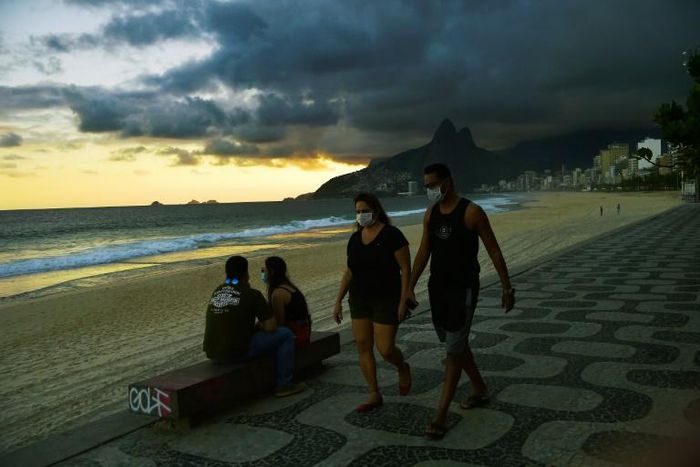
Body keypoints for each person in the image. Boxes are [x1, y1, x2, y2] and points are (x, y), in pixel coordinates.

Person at [410, 163, 515, 440]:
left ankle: (440, 417)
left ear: (448, 181)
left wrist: (507, 286)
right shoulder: (430, 213)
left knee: (453, 351)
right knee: (455, 343)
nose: (430, 190)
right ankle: (479, 389)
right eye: (426, 186)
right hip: (438, 289)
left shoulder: (472, 212)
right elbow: (423, 252)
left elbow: (493, 248)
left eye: (433, 184)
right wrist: (408, 287)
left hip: (463, 289)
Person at [333, 193, 413, 412]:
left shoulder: (392, 235)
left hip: (387, 299)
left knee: (386, 349)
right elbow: (350, 271)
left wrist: (404, 297)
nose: (361, 215)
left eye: (364, 211)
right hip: (359, 299)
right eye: (357, 212)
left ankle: (402, 367)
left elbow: (405, 268)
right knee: (363, 346)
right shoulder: (354, 239)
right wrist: (338, 300)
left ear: (376, 211)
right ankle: (374, 393)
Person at [203, 255, 305, 397]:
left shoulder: (218, 291)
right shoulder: (251, 294)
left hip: (213, 353)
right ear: (246, 273)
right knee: (285, 334)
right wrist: (259, 326)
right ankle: (284, 385)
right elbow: (271, 326)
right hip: (236, 353)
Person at [262, 256, 312, 346]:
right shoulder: (289, 287)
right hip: (304, 332)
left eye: (263, 271)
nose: (262, 274)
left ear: (272, 272)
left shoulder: (278, 293)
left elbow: (279, 324)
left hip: (295, 336)